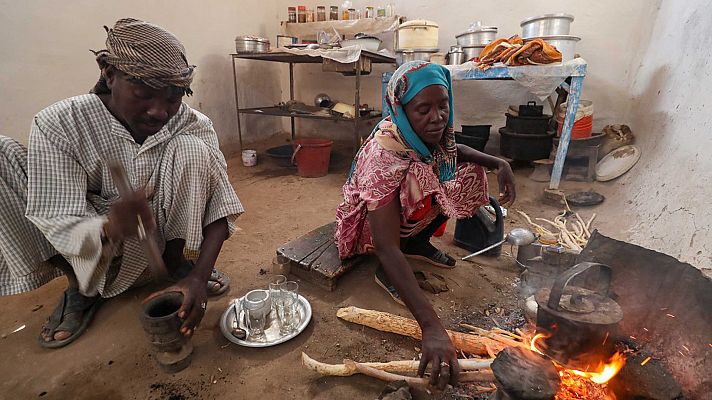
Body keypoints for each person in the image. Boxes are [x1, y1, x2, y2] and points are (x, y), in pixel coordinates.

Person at [0, 18, 244, 348]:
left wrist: (199, 277)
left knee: (192, 149)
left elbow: (221, 203)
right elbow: (57, 217)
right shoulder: (58, 123)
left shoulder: (190, 123)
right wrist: (112, 226)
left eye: (173, 98)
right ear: (109, 74)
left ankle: (177, 264)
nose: (159, 112)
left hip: (157, 231)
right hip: (87, 242)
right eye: (142, 94)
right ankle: (80, 287)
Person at [335, 61, 516, 388]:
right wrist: (432, 327)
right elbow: (387, 245)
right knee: (421, 181)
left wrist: (499, 162)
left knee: (462, 172)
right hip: (370, 227)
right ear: (402, 109)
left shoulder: (429, 134)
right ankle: (387, 273)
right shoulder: (385, 153)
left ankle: (417, 244)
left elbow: (454, 150)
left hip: (402, 213)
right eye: (423, 109)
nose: (437, 117)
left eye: (443, 105)